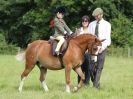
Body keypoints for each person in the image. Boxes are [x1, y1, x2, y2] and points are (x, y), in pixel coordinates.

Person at [88, 7, 111, 89]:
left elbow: (108, 40)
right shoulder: (91, 24)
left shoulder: (107, 24)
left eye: (97, 16)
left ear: (101, 15)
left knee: (99, 67)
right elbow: (89, 37)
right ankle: (95, 82)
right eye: (95, 16)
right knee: (91, 68)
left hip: (102, 48)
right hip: (92, 49)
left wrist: (102, 47)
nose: (96, 18)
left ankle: (95, 86)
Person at [76, 15, 92, 85]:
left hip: (88, 52)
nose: (84, 22)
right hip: (80, 53)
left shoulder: (91, 30)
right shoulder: (79, 30)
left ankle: (86, 83)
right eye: (83, 21)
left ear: (88, 22)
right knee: (79, 68)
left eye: (86, 21)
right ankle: (79, 82)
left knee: (88, 68)